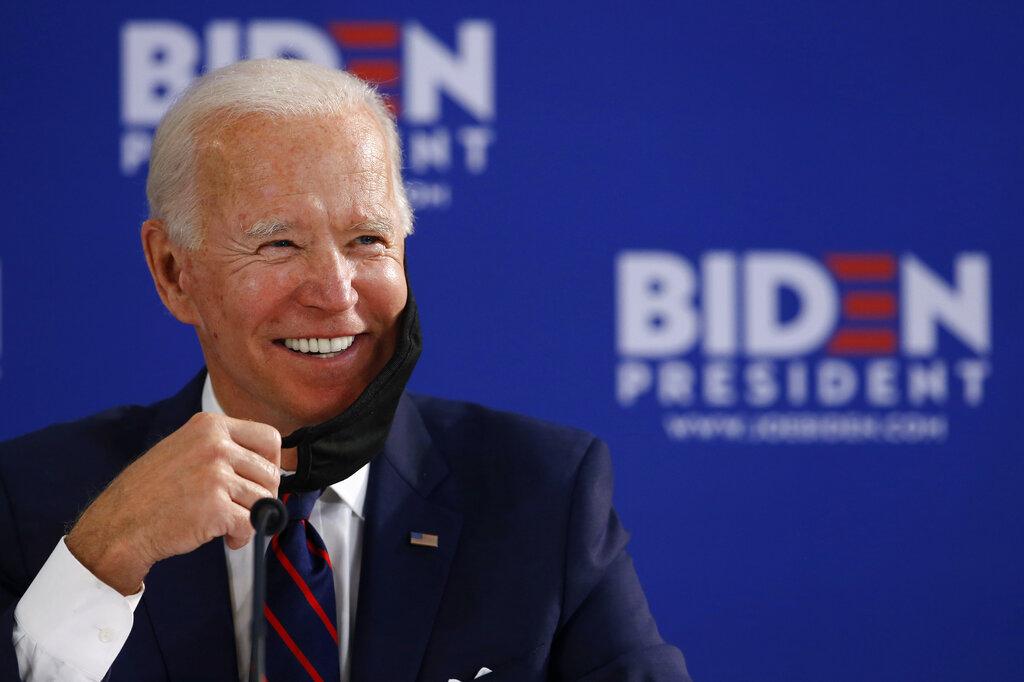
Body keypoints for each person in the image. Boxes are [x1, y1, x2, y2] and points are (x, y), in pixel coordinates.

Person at [0, 59, 691, 681]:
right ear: (173, 271)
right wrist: (100, 562)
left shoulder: (544, 494)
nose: (335, 293)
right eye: (278, 243)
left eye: (368, 240)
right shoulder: (30, 502)